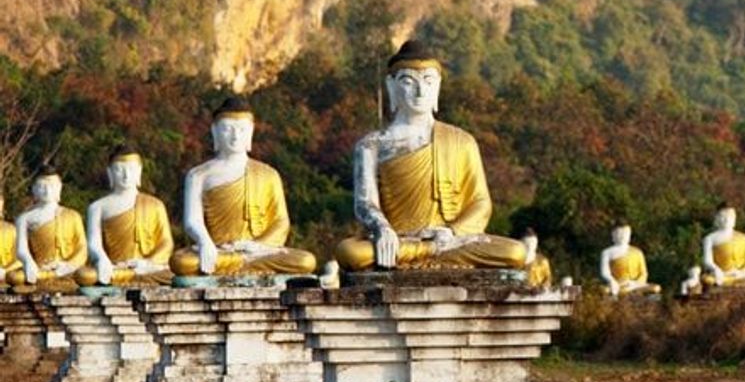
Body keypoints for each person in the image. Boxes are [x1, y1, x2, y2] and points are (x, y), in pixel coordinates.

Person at [335, 41, 525, 271]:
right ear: (391, 85)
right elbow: (366, 204)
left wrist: (451, 231)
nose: (419, 90)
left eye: (428, 81)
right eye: (408, 81)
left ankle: (424, 254)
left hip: (450, 241)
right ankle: (423, 253)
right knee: (350, 253)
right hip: (399, 239)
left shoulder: (461, 140)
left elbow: (480, 203)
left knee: (516, 252)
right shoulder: (372, 145)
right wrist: (383, 229)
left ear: (438, 87)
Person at [170, 96, 317, 278]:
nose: (235, 136)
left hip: (258, 251)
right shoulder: (199, 174)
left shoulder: (268, 174)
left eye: (241, 129)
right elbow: (192, 221)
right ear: (215, 132)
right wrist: (205, 242)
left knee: (306, 261)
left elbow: (281, 222)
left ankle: (240, 264)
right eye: (228, 129)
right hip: (219, 250)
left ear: (251, 132)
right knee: (181, 263)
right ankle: (240, 264)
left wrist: (258, 246)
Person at [76, 145, 174, 287]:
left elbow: (167, 243)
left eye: (131, 169)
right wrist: (102, 260)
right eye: (119, 169)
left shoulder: (155, 204)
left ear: (139, 171)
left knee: (181, 268)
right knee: (86, 276)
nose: (126, 175)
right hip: (117, 269)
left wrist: (147, 263)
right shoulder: (98, 207)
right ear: (110, 173)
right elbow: (93, 244)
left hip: (149, 270)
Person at [6, 169, 86, 292]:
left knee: (87, 275)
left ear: (59, 188)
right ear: (34, 189)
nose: (47, 191)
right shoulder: (25, 218)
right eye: (42, 186)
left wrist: (69, 266)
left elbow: (82, 249)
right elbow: (21, 250)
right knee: (15, 277)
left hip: (67, 271)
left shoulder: (73, 215)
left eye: (52, 186)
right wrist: (29, 262)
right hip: (39, 270)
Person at [599, 224, 660, 297]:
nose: (623, 236)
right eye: (620, 233)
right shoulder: (607, 252)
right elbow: (605, 273)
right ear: (613, 235)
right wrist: (612, 281)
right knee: (605, 290)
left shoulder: (637, 252)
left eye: (626, 233)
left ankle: (630, 292)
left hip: (635, 285)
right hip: (618, 284)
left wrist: (635, 283)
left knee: (656, 288)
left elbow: (644, 273)